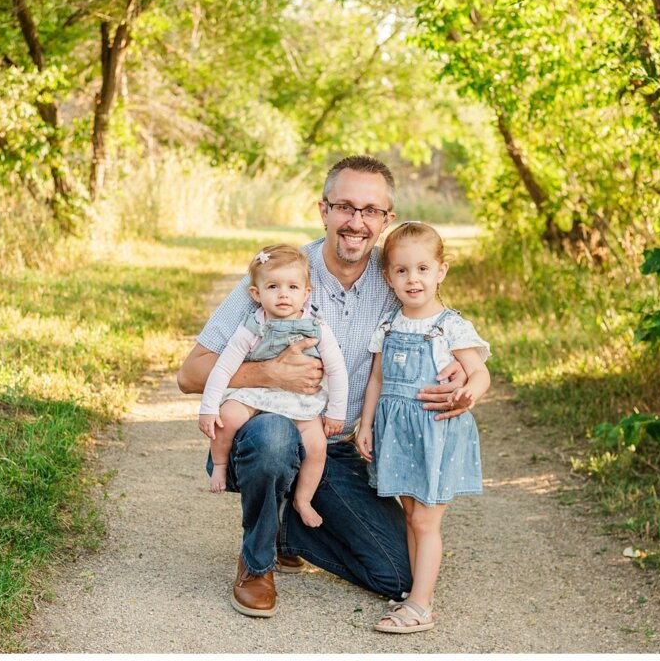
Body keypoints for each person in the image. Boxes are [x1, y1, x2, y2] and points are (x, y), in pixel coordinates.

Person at [177, 155, 471, 618]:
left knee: (398, 576)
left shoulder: (395, 275)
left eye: (371, 211)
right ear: (324, 210)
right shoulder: (282, 271)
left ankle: (283, 526)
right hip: (264, 427)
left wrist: (467, 379)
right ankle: (257, 562)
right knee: (274, 439)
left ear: (387, 219)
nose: (356, 222)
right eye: (345, 207)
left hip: (333, 444)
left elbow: (442, 333)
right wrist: (266, 373)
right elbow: (189, 374)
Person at [356, 221, 491, 633]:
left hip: (436, 432)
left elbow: (480, 372)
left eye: (422, 269)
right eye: (401, 270)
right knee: (411, 513)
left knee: (425, 522)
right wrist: (365, 426)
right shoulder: (390, 325)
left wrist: (468, 393)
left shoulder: (450, 326)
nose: (412, 279)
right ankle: (417, 591)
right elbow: (376, 379)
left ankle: (420, 606)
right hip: (397, 434)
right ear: (388, 277)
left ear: (441, 271)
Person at [198, 244, 347, 529]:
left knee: (317, 447)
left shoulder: (316, 327)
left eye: (292, 287)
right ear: (256, 293)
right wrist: (208, 407)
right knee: (226, 416)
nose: (283, 294)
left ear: (306, 293)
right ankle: (219, 466)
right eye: (273, 286)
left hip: (299, 399)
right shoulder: (252, 327)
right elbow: (224, 368)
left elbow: (337, 369)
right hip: (257, 393)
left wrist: (336, 412)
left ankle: (303, 499)